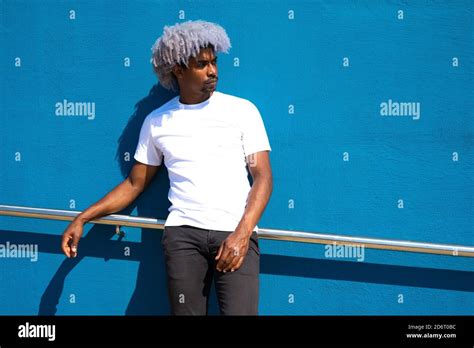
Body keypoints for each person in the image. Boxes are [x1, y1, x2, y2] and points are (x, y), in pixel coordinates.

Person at [61, 20, 273, 315]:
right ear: (178, 69)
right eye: (202, 64)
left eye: (214, 62)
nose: (213, 71)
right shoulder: (157, 121)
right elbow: (134, 184)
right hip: (183, 237)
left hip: (236, 231)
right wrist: (83, 218)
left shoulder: (242, 111)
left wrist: (242, 233)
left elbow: (262, 176)